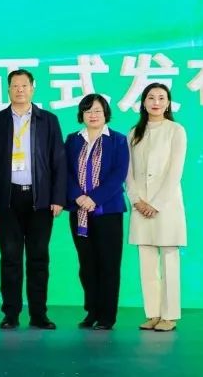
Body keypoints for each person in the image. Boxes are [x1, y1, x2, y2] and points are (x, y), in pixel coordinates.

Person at [0, 69, 65, 330]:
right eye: (15, 86)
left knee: (38, 257)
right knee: (10, 257)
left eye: (24, 85)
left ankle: (39, 314)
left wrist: (57, 197)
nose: (19, 90)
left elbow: (58, 160)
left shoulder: (48, 120)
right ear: (8, 89)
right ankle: (11, 314)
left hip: (40, 199)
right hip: (7, 198)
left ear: (32, 88)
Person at [65, 94, 129, 331]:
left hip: (108, 211)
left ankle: (107, 316)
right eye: (88, 111)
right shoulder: (73, 140)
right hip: (79, 211)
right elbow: (64, 171)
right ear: (81, 114)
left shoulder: (118, 140)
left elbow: (119, 174)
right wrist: (78, 196)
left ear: (106, 114)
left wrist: (94, 198)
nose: (92, 115)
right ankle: (91, 311)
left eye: (97, 111)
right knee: (87, 264)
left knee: (108, 264)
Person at [126, 83, 187, 332]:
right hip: (140, 207)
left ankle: (169, 316)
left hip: (167, 206)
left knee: (169, 259)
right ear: (143, 102)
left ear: (168, 103)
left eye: (161, 98)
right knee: (147, 262)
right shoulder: (134, 133)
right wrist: (136, 200)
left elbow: (175, 172)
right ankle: (153, 313)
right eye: (151, 98)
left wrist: (156, 204)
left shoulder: (176, 131)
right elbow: (128, 172)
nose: (156, 102)